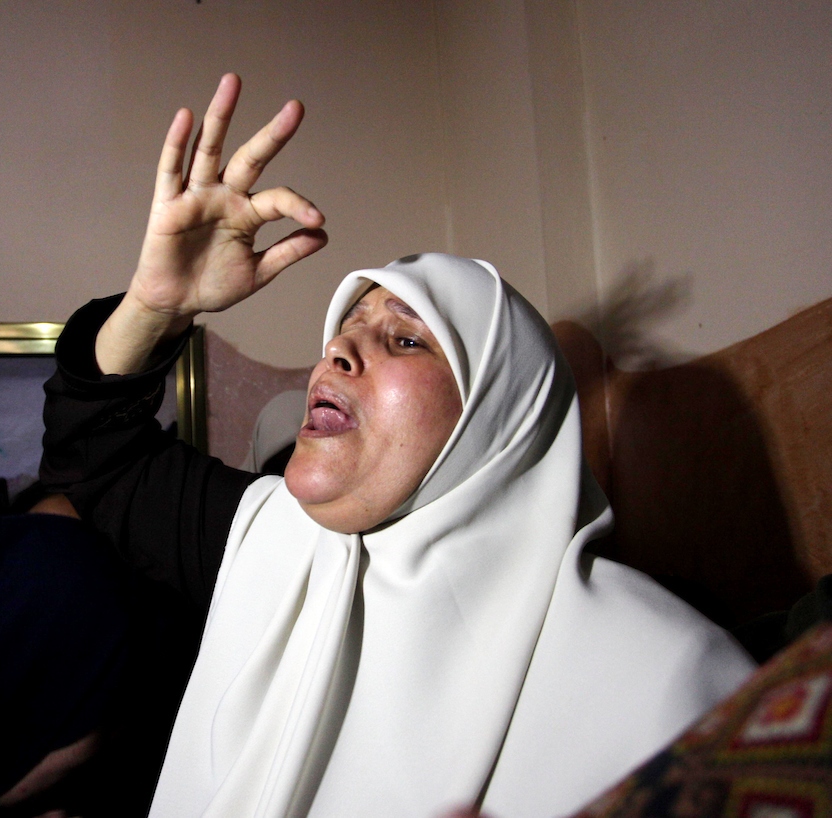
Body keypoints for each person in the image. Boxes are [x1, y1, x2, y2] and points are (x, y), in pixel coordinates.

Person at [39, 74, 757, 817]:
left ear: (495, 424)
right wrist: (154, 306)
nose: (336, 352)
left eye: (406, 339)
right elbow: (93, 459)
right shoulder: (265, 539)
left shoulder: (662, 682)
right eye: (343, 330)